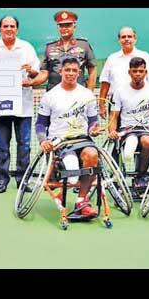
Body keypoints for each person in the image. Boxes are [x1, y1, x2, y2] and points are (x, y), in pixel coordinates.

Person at [0, 15, 46, 193]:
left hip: (23, 105)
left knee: (24, 145)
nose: (9, 29)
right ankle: (2, 178)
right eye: (5, 26)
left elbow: (36, 75)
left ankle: (23, 180)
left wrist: (31, 72)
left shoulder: (27, 48)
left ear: (17, 29)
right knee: (2, 145)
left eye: (12, 26)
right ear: (0, 29)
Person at [35, 58, 102, 217]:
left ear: (79, 73)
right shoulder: (50, 96)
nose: (71, 73)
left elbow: (93, 121)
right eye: (67, 70)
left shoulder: (87, 94)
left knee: (92, 155)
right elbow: (40, 124)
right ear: (61, 72)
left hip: (83, 140)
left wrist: (93, 129)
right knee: (72, 178)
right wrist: (43, 140)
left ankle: (81, 202)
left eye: (74, 70)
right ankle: (60, 193)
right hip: (60, 143)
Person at [107, 57, 149, 191]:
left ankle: (141, 176)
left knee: (147, 141)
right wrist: (112, 131)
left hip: (148, 129)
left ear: (145, 72)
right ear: (129, 72)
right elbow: (114, 117)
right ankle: (124, 174)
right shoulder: (120, 91)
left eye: (141, 71)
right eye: (134, 71)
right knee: (127, 153)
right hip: (127, 130)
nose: (138, 74)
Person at [98, 26, 149, 114]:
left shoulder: (145, 56)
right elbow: (105, 82)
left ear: (135, 39)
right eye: (123, 37)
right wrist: (101, 105)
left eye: (129, 36)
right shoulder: (112, 58)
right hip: (116, 104)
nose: (126, 39)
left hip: (141, 103)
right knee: (114, 127)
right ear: (119, 40)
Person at [41, 10, 97, 91]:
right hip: (54, 92)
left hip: (78, 92)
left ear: (74, 27)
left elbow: (92, 70)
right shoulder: (50, 46)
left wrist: (89, 92)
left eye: (67, 25)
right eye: (61, 26)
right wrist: (32, 80)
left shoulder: (84, 45)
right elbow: (44, 72)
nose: (64, 28)